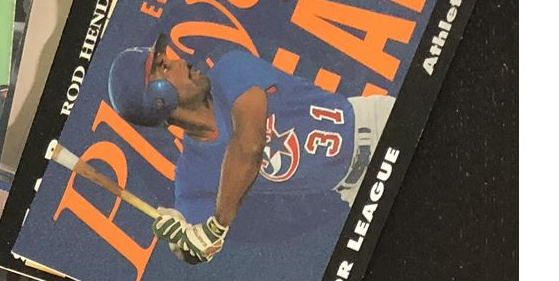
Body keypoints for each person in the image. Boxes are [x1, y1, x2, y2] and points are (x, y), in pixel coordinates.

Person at [106, 38, 396, 265]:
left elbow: (250, 144)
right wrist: (183, 237)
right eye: (163, 66)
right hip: (356, 189)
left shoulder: (229, 70)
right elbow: (193, 251)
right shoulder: (192, 174)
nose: (180, 61)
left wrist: (216, 226)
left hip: (377, 125)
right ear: (158, 101)